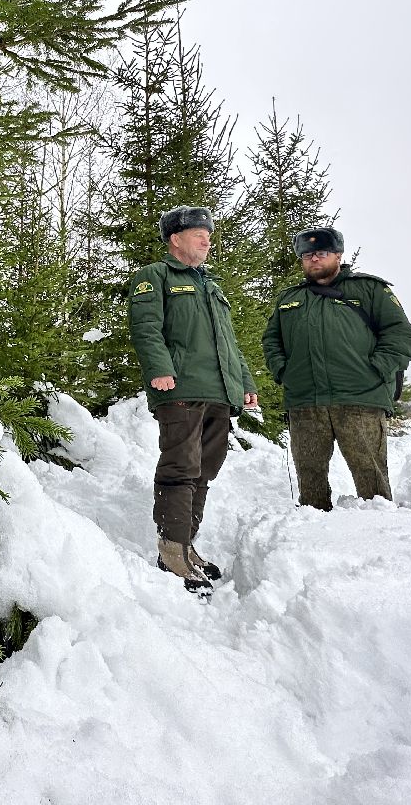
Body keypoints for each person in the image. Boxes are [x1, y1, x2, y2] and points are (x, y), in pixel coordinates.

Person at [127, 205, 258, 594]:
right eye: (199, 233)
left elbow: (229, 345)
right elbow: (146, 328)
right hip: (180, 390)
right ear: (176, 239)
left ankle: (186, 546)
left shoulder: (211, 287)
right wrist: (159, 368)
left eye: (209, 233)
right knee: (181, 468)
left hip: (219, 393)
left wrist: (244, 382)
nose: (207, 239)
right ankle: (171, 554)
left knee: (205, 470)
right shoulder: (156, 276)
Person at [261, 226, 411, 511]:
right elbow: (272, 340)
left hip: (360, 400)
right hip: (306, 401)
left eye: (321, 253)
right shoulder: (289, 299)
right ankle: (314, 540)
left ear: (338, 255)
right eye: (307, 255)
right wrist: (284, 371)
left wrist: (376, 369)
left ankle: (382, 538)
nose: (314, 259)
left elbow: (401, 335)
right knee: (310, 481)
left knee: (372, 481)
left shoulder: (369, 289)